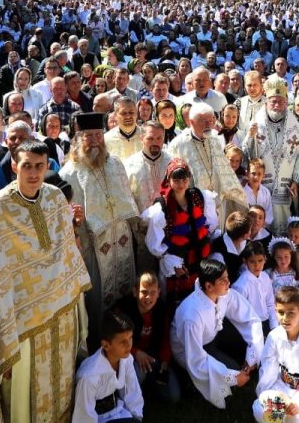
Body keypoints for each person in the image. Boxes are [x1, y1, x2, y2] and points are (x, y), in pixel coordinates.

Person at [0, 139, 91, 423]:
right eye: (26, 165)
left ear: (47, 166)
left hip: (63, 308)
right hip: (23, 318)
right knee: (26, 391)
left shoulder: (54, 197)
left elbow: (67, 248)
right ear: (14, 165)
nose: (33, 173)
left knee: (62, 379)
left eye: (40, 166)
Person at [60, 111, 140, 340]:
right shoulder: (69, 173)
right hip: (94, 245)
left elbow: (126, 196)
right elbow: (68, 216)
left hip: (121, 239)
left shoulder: (115, 164)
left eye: (98, 135)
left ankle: (127, 338)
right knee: (98, 299)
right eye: (89, 136)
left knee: (124, 293)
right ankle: (101, 342)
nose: (95, 140)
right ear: (78, 139)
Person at [171, 258, 262, 409]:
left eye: (227, 277)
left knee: (244, 356)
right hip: (189, 349)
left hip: (213, 335)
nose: (229, 283)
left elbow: (250, 319)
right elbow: (195, 359)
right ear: (208, 286)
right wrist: (233, 378)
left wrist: (253, 356)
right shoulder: (192, 316)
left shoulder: (224, 294)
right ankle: (187, 379)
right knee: (231, 375)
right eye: (223, 280)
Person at [142, 159, 218, 306]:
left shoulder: (199, 197)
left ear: (189, 179)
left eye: (184, 179)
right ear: (169, 181)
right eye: (176, 180)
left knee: (199, 297)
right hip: (176, 262)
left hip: (198, 257)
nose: (180, 183)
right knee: (176, 302)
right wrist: (171, 262)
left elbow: (210, 224)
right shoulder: (161, 209)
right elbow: (155, 244)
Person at [251, 286, 299, 423]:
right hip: (281, 386)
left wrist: (298, 403)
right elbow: (268, 369)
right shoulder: (274, 336)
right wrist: (267, 396)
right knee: (259, 410)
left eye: (291, 313)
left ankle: (296, 416)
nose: (285, 318)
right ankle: (280, 419)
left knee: (296, 421)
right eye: (280, 312)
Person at [242, 75, 299, 228]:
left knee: (284, 224)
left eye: (281, 102)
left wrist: (296, 181)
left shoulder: (296, 129)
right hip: (261, 186)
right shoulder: (255, 125)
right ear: (267, 103)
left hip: (285, 188)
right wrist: (250, 137)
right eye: (273, 101)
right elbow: (246, 154)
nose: (277, 105)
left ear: (286, 103)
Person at [168, 102, 248, 217]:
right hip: (193, 205)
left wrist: (237, 195)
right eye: (204, 121)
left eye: (211, 121)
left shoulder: (215, 137)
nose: (208, 125)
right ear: (191, 122)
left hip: (218, 200)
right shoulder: (178, 145)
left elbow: (223, 168)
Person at [71, 311, 145, 423]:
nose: (129, 345)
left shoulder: (126, 359)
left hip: (120, 412)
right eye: (122, 342)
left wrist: (136, 417)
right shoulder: (89, 377)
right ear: (106, 345)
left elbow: (132, 391)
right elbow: (85, 415)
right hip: (100, 421)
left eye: (130, 338)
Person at [113, 272, 178, 404]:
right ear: (135, 292)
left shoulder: (160, 308)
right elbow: (116, 341)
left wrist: (165, 361)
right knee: (139, 374)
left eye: (153, 292)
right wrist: (136, 353)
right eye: (144, 292)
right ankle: (127, 398)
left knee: (173, 395)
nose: (148, 297)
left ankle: (148, 385)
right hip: (128, 356)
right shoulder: (124, 309)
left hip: (152, 354)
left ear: (159, 292)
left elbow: (165, 336)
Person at [123, 120, 170, 212]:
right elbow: (127, 199)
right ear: (141, 138)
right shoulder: (129, 166)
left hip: (171, 221)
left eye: (159, 138)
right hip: (143, 223)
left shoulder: (172, 162)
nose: (155, 143)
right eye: (150, 138)